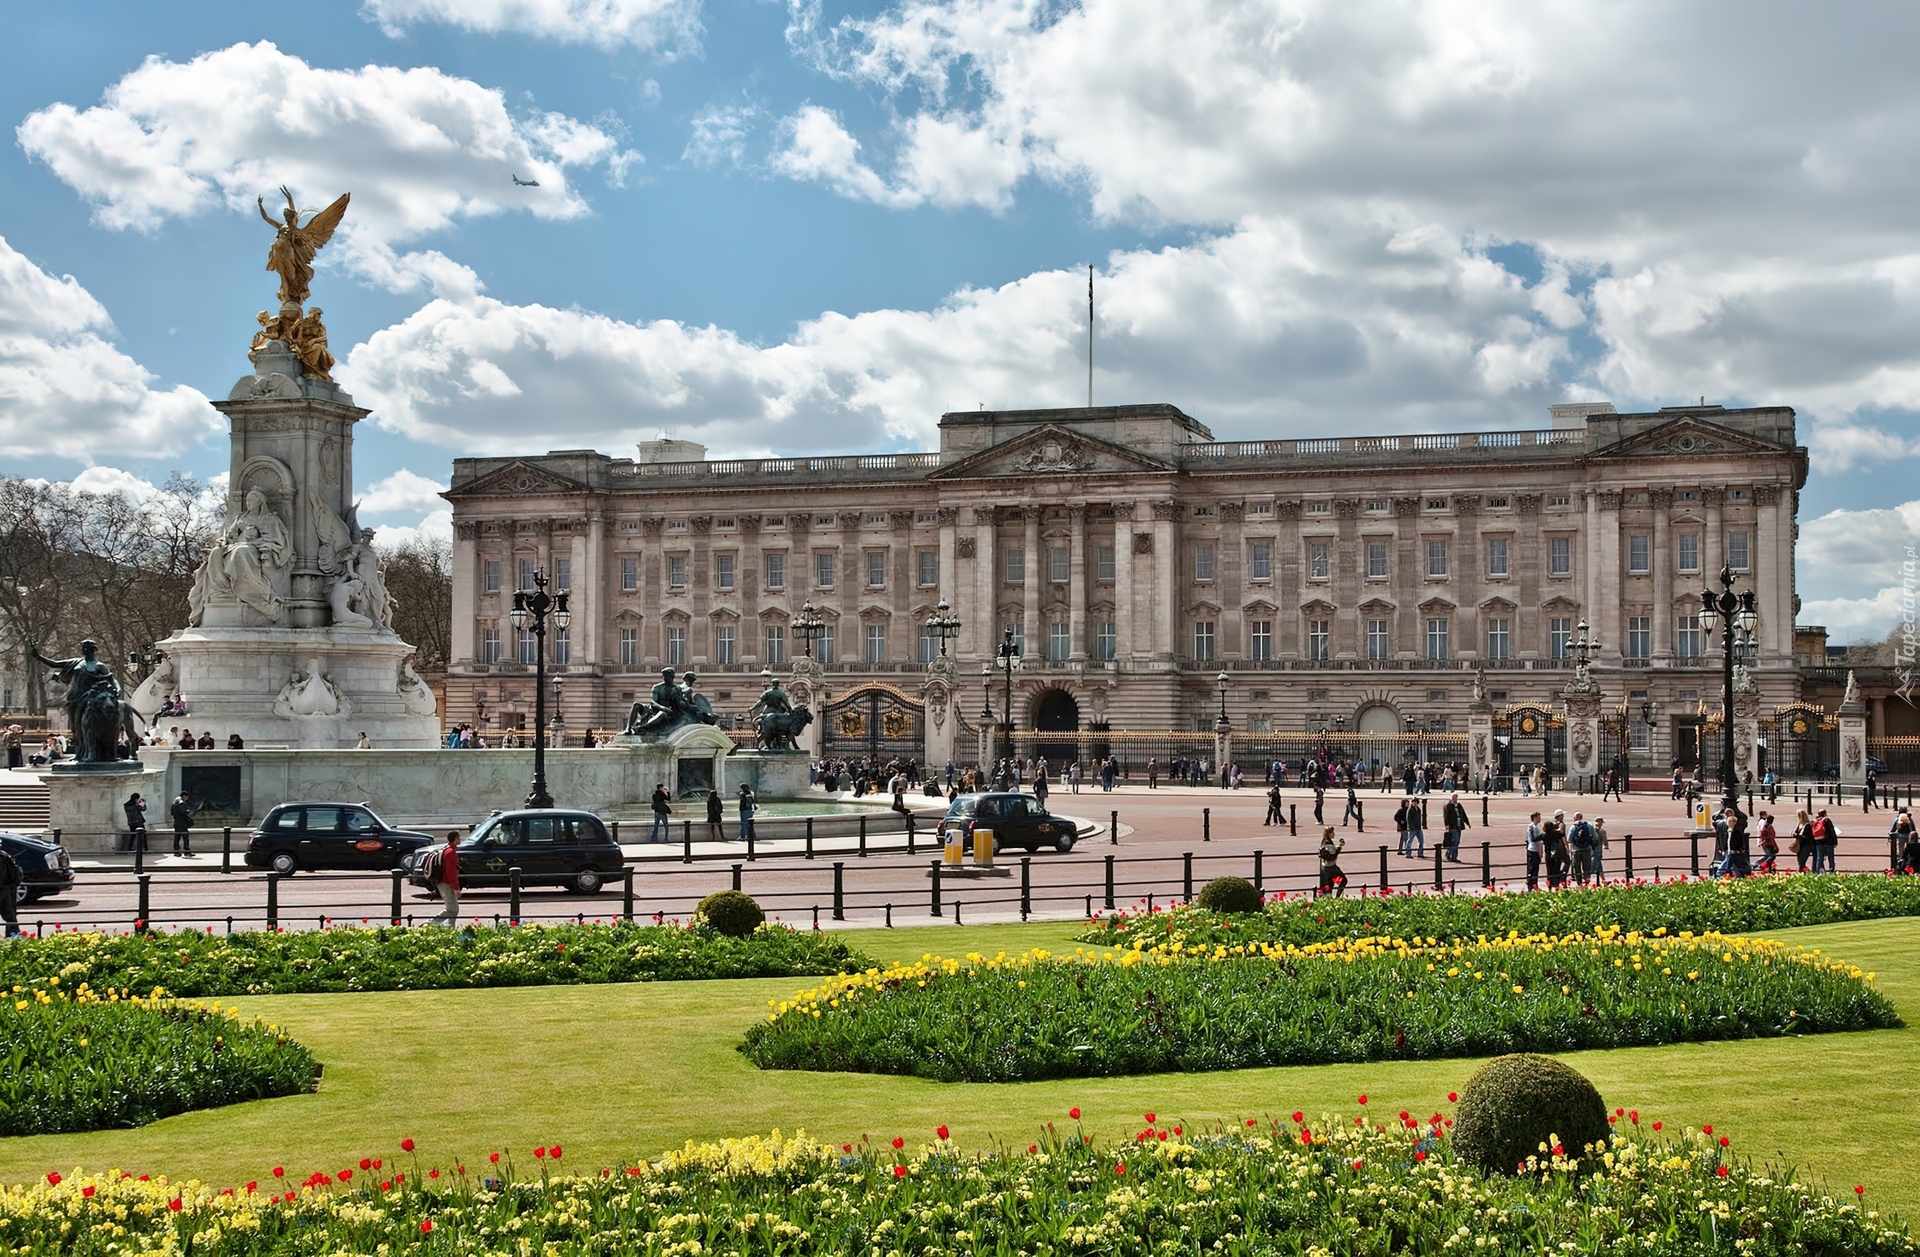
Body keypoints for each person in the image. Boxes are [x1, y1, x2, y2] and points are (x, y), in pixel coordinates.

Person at [425, 830, 460, 926]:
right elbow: (451, 872)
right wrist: (456, 888)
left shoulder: (446, 850)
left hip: (442, 883)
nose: (460, 839)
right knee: (453, 909)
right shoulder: (451, 852)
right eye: (458, 838)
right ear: (455, 839)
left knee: (452, 909)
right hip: (446, 883)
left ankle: (450, 928)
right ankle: (431, 924)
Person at [1316, 827, 1347, 897]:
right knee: (1343, 880)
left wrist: (1339, 846)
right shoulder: (1328, 844)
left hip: (1325, 867)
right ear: (1329, 834)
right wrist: (1339, 847)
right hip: (1331, 867)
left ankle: (1329, 899)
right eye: (1333, 832)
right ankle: (1337, 897)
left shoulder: (1324, 842)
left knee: (1329, 886)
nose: (1334, 834)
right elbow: (1332, 856)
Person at [1543, 810, 1570, 889]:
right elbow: (1563, 836)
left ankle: (1551, 884)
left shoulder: (1552, 825)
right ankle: (1561, 877)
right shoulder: (1561, 825)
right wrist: (1566, 846)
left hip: (1550, 851)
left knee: (1550, 868)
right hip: (1560, 849)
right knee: (1566, 862)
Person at [1567, 811, 1596, 884]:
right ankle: (1587, 882)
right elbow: (1595, 836)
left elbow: (1569, 839)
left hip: (1576, 850)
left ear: (1575, 818)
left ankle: (1579, 884)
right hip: (1587, 849)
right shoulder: (1589, 825)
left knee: (1577, 868)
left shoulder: (1573, 827)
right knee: (1587, 868)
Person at [169, 791, 199, 856]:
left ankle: (176, 851)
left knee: (177, 837)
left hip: (177, 822)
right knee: (185, 837)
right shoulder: (181, 803)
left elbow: (172, 813)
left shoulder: (174, 803)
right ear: (184, 796)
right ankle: (186, 851)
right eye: (186, 797)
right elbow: (184, 812)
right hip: (182, 823)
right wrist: (187, 811)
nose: (186, 799)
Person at [1442, 792, 1470, 862]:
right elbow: (1446, 816)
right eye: (1454, 797)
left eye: (1456, 797)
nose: (1455, 799)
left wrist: (1467, 823)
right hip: (1452, 826)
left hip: (1459, 826)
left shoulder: (1459, 805)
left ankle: (1449, 854)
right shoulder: (1448, 806)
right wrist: (1447, 825)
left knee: (1456, 842)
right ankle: (1452, 856)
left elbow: (1463, 814)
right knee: (1455, 841)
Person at [0, 842, 19, 938]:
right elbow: (15, 874)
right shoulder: (5, 857)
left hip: (5, 888)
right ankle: (13, 935)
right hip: (5, 889)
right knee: (9, 914)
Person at [1812, 808, 1839, 872]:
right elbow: (1831, 831)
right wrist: (1835, 841)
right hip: (1828, 842)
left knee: (1819, 857)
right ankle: (1831, 869)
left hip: (1818, 842)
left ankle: (1819, 870)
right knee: (1830, 857)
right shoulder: (1826, 820)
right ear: (1825, 814)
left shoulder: (1814, 821)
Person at [1524, 811, 1544, 890]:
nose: (1540, 819)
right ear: (1535, 818)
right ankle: (1532, 885)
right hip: (1534, 850)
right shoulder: (1534, 827)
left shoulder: (1532, 827)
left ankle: (1533, 884)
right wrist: (1540, 851)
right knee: (1534, 869)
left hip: (1531, 849)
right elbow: (1535, 840)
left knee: (1532, 868)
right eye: (1538, 817)